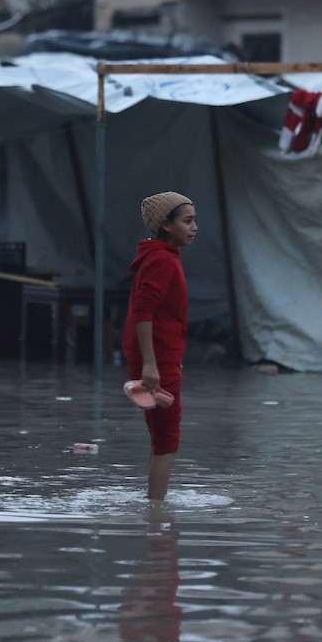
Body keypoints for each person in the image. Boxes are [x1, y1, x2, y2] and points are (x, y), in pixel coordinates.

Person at [123, 191, 197, 501]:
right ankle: (156, 516)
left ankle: (153, 507)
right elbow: (143, 312)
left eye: (195, 221)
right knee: (167, 439)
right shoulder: (161, 261)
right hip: (158, 359)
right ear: (166, 225)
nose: (194, 227)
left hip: (162, 356)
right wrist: (151, 365)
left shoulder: (162, 258)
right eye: (187, 221)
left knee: (161, 437)